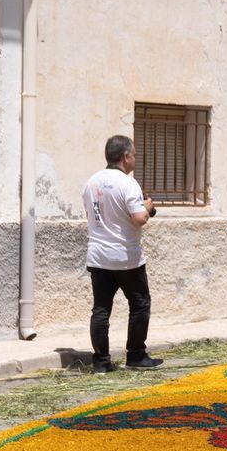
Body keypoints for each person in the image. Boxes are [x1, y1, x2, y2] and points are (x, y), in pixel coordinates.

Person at [83, 135, 161, 374]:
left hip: (98, 256)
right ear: (126, 156)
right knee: (139, 304)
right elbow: (139, 219)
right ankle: (136, 355)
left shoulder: (91, 182)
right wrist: (147, 208)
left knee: (101, 309)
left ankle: (101, 362)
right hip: (126, 258)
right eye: (134, 154)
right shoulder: (128, 184)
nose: (135, 158)